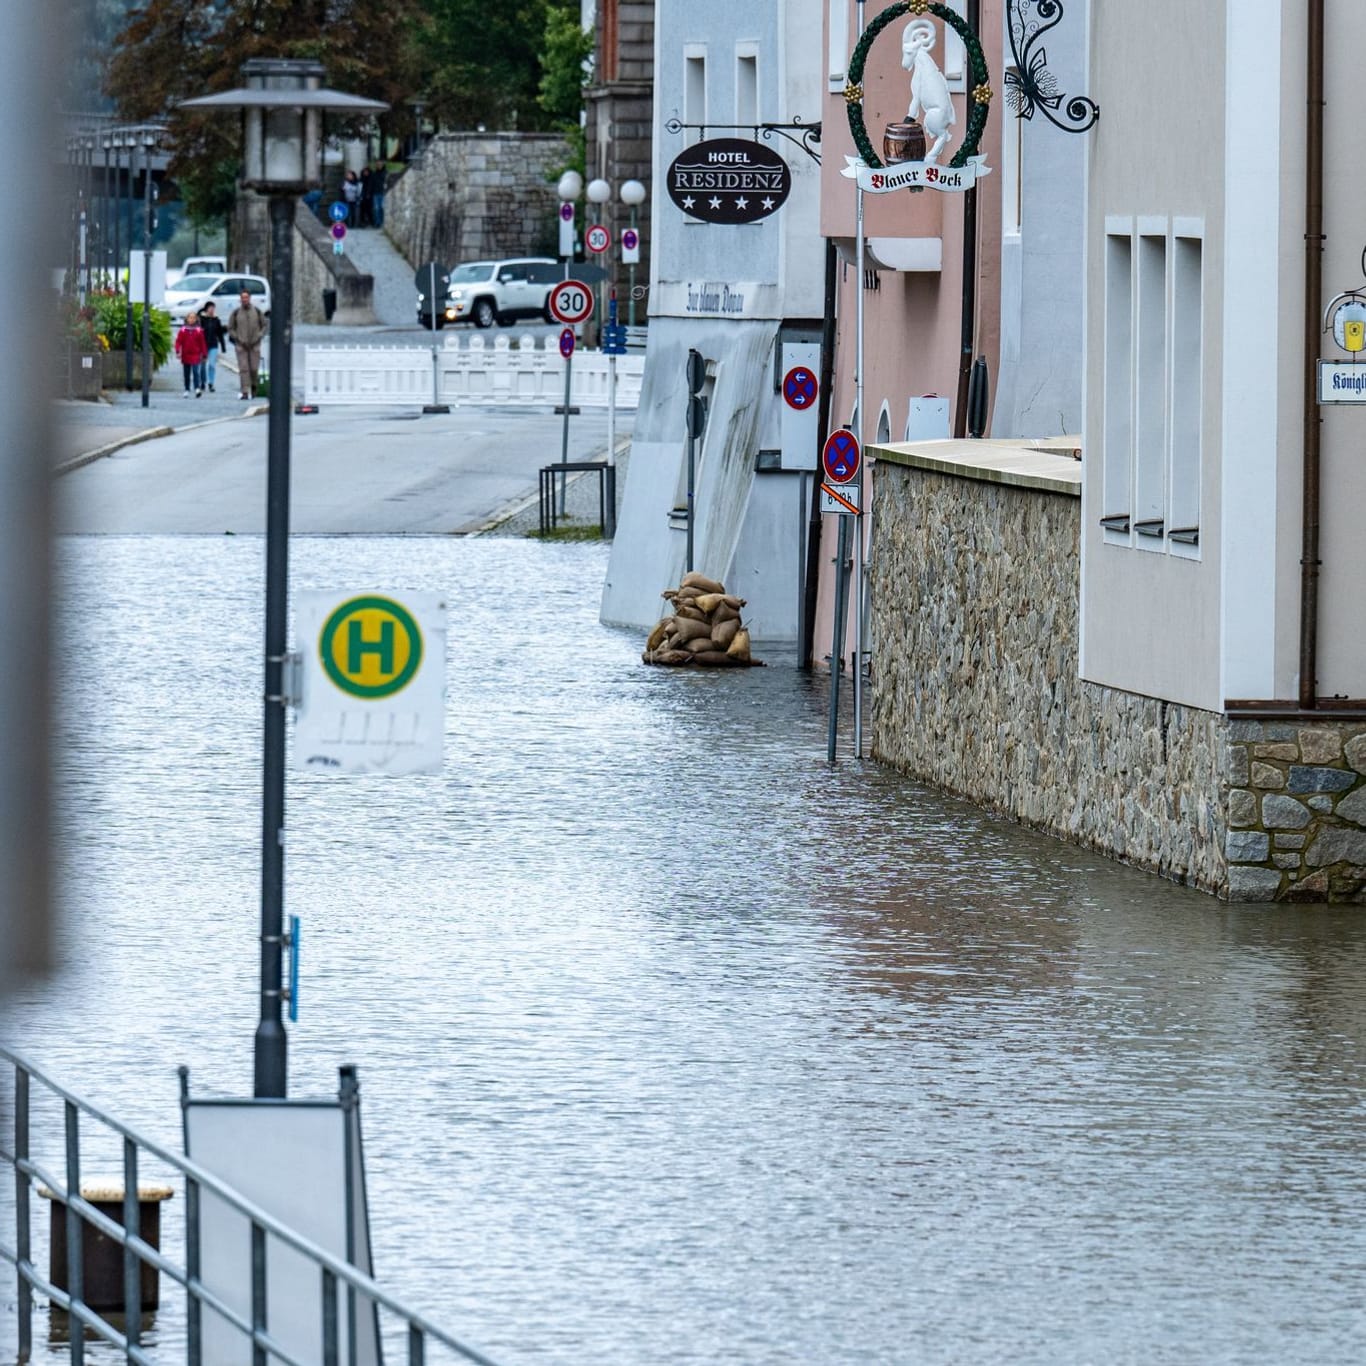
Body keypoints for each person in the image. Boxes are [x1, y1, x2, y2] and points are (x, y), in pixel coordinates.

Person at [228, 289, 267, 400]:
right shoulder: (236, 313)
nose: (244, 299)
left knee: (254, 368)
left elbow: (264, 325)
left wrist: (259, 335)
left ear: (249, 298)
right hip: (241, 345)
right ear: (240, 299)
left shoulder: (257, 311)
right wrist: (237, 337)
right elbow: (230, 328)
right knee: (244, 368)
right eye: (242, 297)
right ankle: (245, 390)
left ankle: (254, 387)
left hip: (255, 345)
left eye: (246, 297)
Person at [174, 311, 208, 397]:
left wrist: (204, 354)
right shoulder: (183, 330)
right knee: (186, 373)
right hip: (185, 354)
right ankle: (187, 389)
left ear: (196, 319)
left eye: (193, 318)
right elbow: (178, 341)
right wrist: (178, 351)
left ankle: (197, 388)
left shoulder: (199, 330)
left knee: (196, 371)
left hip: (196, 354)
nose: (192, 319)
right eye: (190, 318)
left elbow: (202, 343)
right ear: (187, 319)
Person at [199, 300, 227, 393]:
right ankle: (202, 382)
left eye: (213, 308)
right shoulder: (201, 319)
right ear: (206, 309)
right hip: (203, 345)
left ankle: (211, 383)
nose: (212, 310)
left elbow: (220, 334)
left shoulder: (216, 320)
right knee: (202, 365)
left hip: (213, 344)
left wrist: (223, 346)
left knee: (212, 365)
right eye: (210, 308)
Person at [369, 161, 388, 230]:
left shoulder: (385, 173)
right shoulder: (374, 174)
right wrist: (370, 192)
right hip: (375, 193)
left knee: (382, 208)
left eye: (380, 164)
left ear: (383, 165)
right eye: (377, 165)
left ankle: (383, 222)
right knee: (377, 209)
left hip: (383, 193)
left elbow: (387, 181)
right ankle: (378, 222)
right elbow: (371, 183)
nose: (379, 166)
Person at [358, 163, 372, 227]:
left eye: (367, 172)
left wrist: (369, 194)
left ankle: (370, 222)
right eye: (364, 172)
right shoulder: (361, 179)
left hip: (369, 197)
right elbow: (359, 188)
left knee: (369, 210)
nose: (366, 173)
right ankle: (362, 222)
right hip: (362, 197)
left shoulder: (371, 179)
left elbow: (371, 187)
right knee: (362, 210)